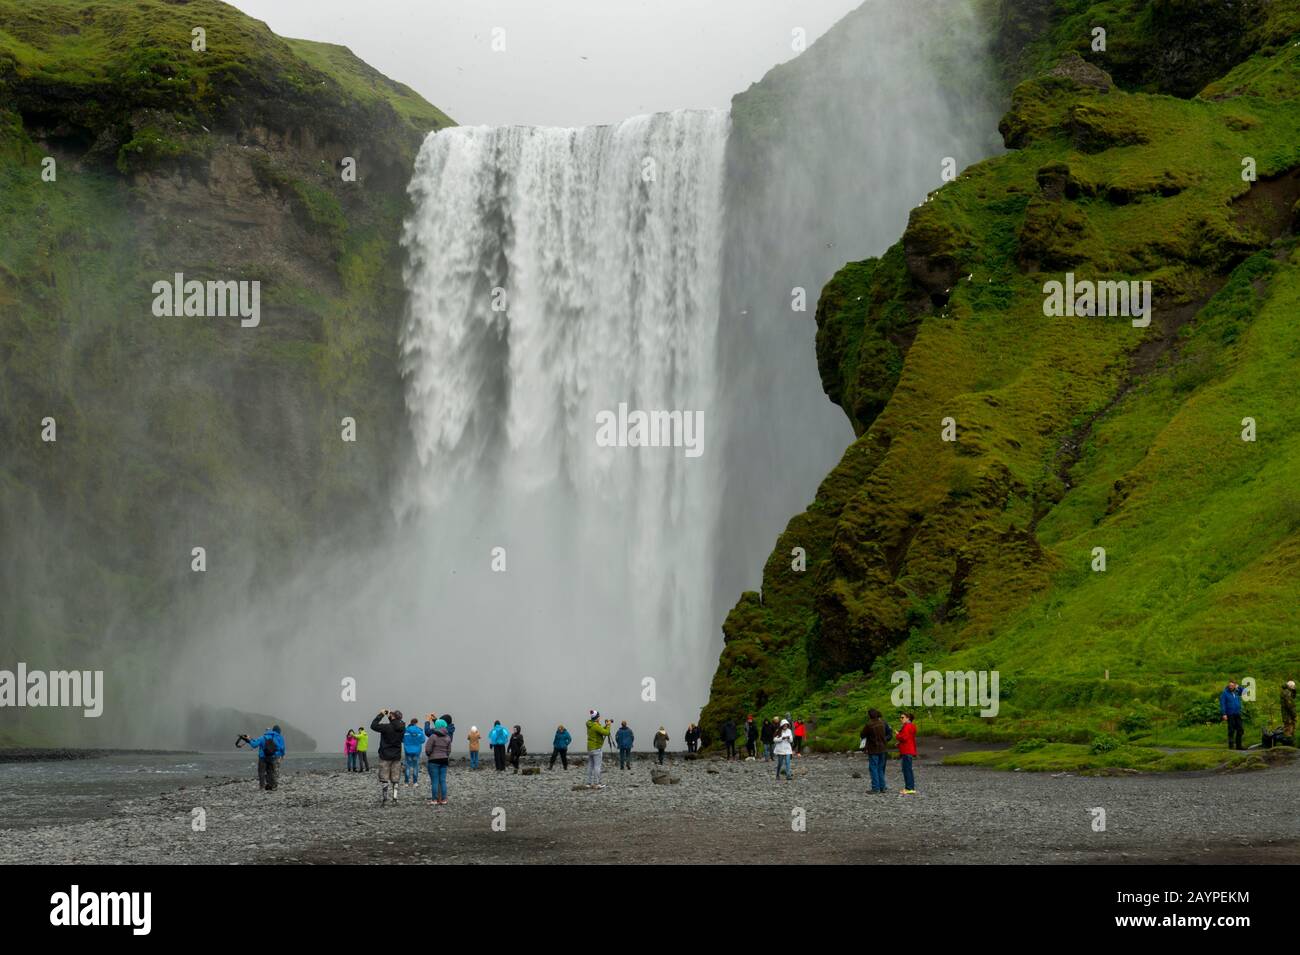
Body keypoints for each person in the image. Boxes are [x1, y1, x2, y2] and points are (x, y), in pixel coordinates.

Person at [371, 709, 408, 805]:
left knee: (384, 778)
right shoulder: (402, 727)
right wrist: (391, 716)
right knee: (395, 778)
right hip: (396, 756)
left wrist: (381, 714)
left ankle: (385, 799)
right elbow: (396, 724)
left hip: (385, 755)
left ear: (393, 717)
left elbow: (373, 726)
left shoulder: (386, 727)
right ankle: (395, 798)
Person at [247, 725, 284, 791]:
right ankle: (271, 786)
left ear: (265, 732)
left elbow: (254, 745)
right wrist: (278, 754)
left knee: (261, 772)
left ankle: (262, 787)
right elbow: (279, 748)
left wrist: (248, 740)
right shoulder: (274, 738)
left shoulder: (262, 737)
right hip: (272, 757)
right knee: (271, 772)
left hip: (262, 757)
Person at [424, 718, 452, 805]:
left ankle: (434, 800)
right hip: (444, 760)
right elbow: (449, 750)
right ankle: (444, 799)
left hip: (434, 760)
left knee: (435, 781)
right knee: (442, 780)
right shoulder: (448, 737)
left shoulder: (433, 736)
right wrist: (445, 755)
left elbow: (428, 749)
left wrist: (429, 755)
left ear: (436, 726)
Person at [861, 709, 888, 793]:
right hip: (883, 748)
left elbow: (862, 734)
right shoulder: (882, 723)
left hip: (873, 749)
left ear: (869, 715)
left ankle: (875, 788)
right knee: (880, 768)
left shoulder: (869, 725)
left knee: (873, 768)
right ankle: (882, 787)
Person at [585, 710, 611, 788]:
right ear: (597, 717)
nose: (600, 718)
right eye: (599, 716)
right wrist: (608, 726)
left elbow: (599, 730)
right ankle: (598, 783)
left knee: (590, 766)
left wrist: (605, 726)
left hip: (590, 748)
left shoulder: (590, 724)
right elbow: (606, 733)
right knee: (597, 766)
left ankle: (588, 783)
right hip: (596, 748)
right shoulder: (595, 725)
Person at [895, 711, 917, 794]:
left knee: (906, 770)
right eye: (900, 717)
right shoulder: (912, 726)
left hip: (906, 751)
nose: (901, 719)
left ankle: (909, 788)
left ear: (908, 718)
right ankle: (910, 788)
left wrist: (897, 734)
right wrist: (899, 743)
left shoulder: (907, 726)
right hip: (909, 750)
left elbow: (904, 738)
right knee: (908, 769)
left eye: (902, 717)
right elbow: (908, 738)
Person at [1220, 680, 1245, 750]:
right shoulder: (1225, 693)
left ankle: (1239, 745)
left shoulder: (1237, 692)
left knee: (1240, 729)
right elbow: (1222, 704)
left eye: (1232, 685)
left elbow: (1245, 691)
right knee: (1231, 730)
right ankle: (1231, 746)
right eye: (1229, 685)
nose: (1230, 687)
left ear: (1235, 686)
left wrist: (1239, 687)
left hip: (1237, 713)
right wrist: (1224, 714)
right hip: (1230, 714)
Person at [403, 717, 425, 787]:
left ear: (411, 722)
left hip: (408, 751)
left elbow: (402, 740)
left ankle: (406, 782)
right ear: (416, 723)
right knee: (415, 767)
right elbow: (423, 740)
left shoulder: (406, 731)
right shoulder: (419, 730)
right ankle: (415, 782)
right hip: (417, 751)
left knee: (407, 766)